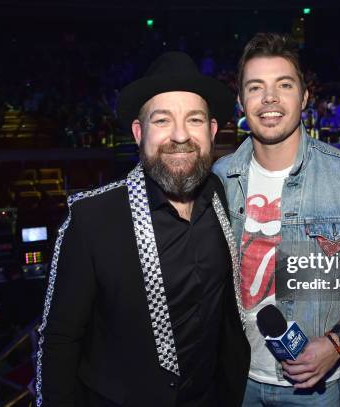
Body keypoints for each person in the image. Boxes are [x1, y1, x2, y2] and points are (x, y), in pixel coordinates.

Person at [36, 51, 250, 407]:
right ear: (139, 132)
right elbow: (59, 339)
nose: (180, 136)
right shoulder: (92, 218)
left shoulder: (222, 199)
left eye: (194, 120)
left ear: (212, 131)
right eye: (162, 120)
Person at [213, 33, 340, 406]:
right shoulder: (218, 178)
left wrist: (337, 343)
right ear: (240, 101)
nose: (270, 98)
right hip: (231, 376)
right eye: (256, 87)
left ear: (305, 96)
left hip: (313, 389)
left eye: (284, 84)